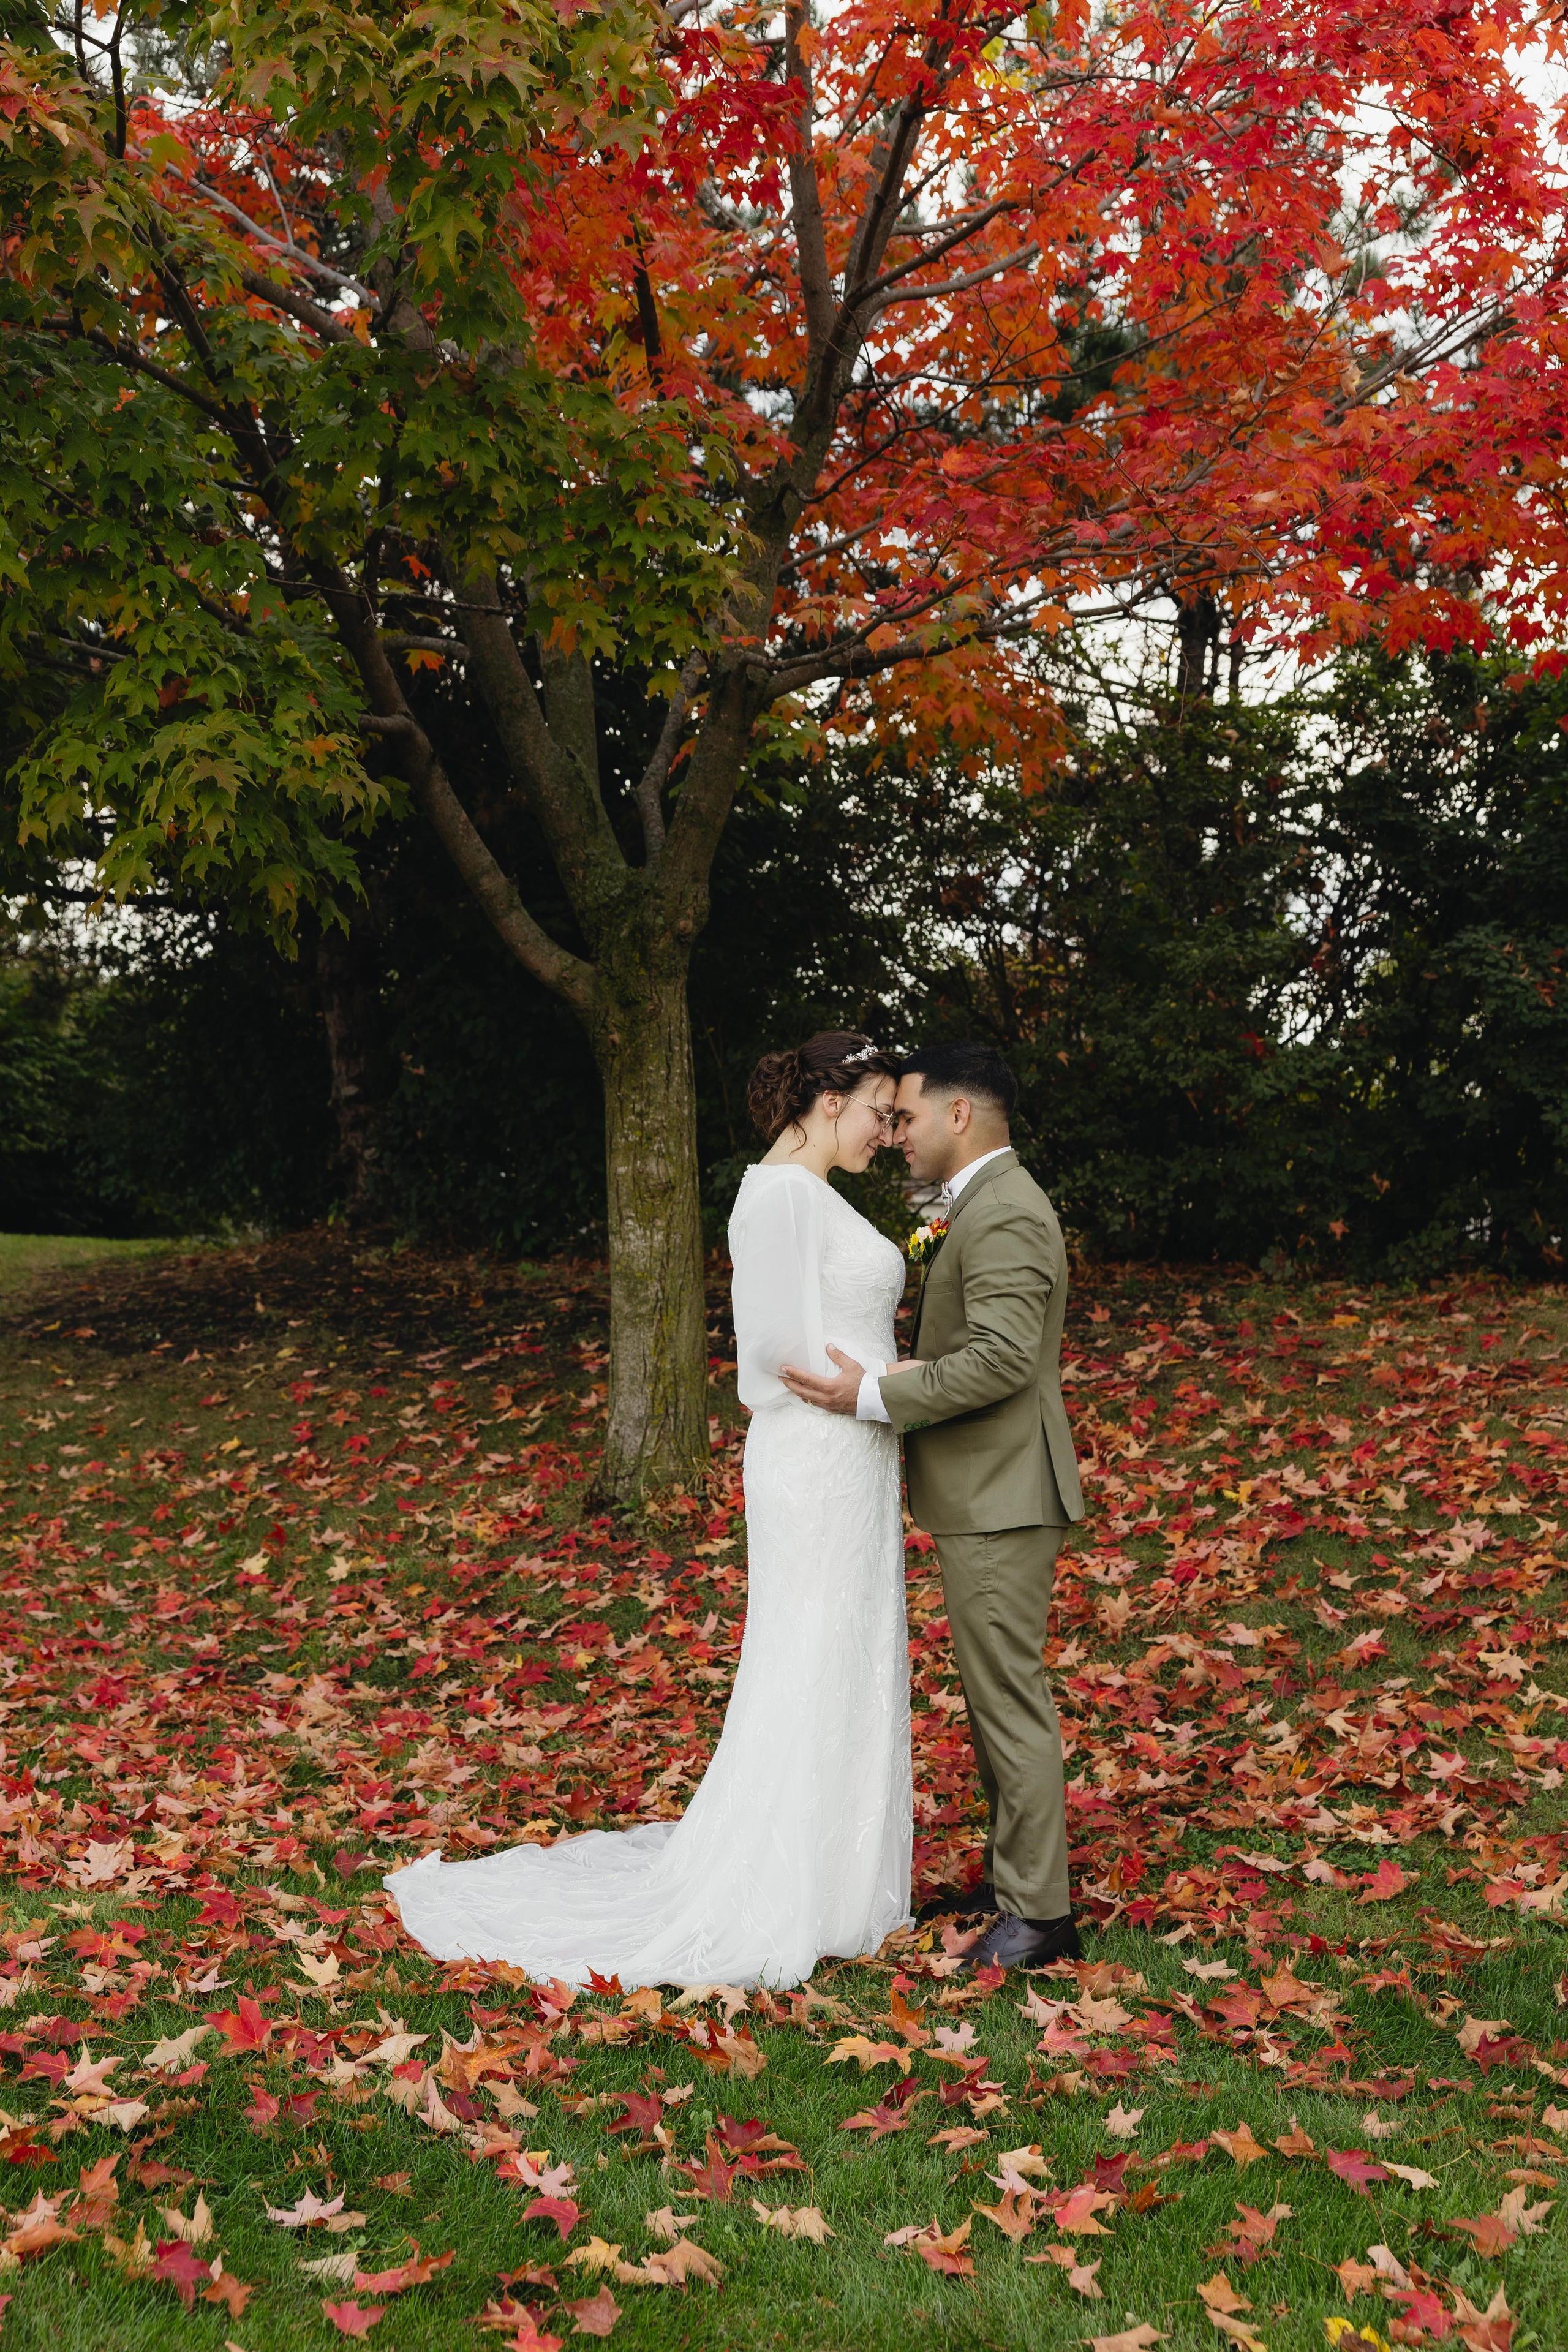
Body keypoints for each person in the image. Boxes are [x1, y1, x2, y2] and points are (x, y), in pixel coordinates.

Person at [383, 1031, 912, 1988]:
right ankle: (789, 1885)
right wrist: (900, 1378)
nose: (888, 1127)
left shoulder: (807, 1192)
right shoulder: (787, 1193)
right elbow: (777, 1359)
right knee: (813, 1649)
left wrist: (881, 1387)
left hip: (852, 1454)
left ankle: (838, 1876)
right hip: (819, 1455)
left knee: (844, 1648)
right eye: (878, 1106)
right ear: (831, 1101)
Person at [780, 1041, 1085, 1973]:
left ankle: (1041, 1919)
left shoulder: (1007, 1215)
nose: (894, 1132)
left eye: (907, 1116)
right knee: (995, 1700)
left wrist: (872, 1394)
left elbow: (1000, 1359)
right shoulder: (980, 1204)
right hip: (982, 1488)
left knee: (1009, 1701)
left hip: (1001, 1492)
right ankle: (1013, 1880)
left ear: (961, 1116)